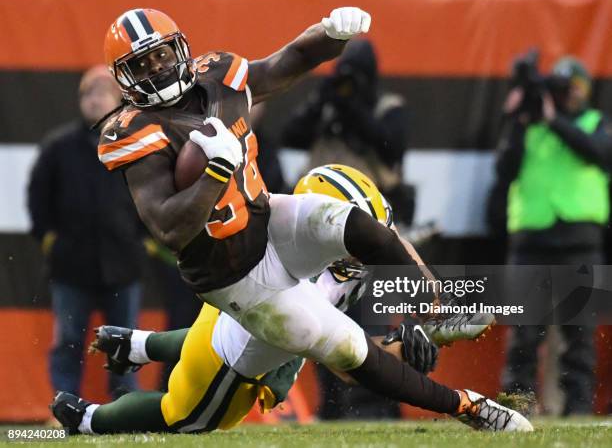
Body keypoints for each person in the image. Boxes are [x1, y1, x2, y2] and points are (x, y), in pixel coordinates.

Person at [53, 8, 529, 431]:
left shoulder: (217, 77)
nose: (157, 68)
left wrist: (329, 35)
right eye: (142, 63)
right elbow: (170, 228)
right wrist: (216, 171)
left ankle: (441, 309)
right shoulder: (134, 133)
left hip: (263, 224)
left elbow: (285, 64)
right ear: (125, 77)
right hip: (235, 277)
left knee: (347, 244)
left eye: (160, 55)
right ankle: (470, 407)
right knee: (195, 410)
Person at [53, 165, 460, 434]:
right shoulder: (314, 279)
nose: (365, 252)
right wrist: (406, 347)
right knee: (189, 416)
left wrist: (423, 318)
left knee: (214, 341)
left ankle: (138, 345)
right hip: (258, 332)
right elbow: (348, 365)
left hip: (233, 307)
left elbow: (394, 246)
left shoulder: (318, 238)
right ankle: (89, 420)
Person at [491, 56, 612, 415]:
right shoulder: (528, 125)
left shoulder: (595, 123)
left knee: (578, 336)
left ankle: (577, 409)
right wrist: (515, 119)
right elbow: (504, 169)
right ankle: (517, 408)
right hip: (531, 243)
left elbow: (600, 153)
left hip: (580, 242)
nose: (566, 96)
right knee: (524, 335)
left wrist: (553, 120)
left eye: (571, 89)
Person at [27, 66, 144, 399]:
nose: (95, 100)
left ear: (118, 100)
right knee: (68, 338)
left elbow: (150, 198)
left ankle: (125, 404)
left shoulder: (134, 147)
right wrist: (49, 239)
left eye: (102, 92)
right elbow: (38, 201)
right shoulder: (58, 148)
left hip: (123, 264)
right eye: (88, 94)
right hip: (70, 266)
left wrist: (143, 239)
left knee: (125, 341)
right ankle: (64, 404)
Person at [281, 38, 414, 225]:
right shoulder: (328, 103)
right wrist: (320, 101)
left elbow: (392, 148)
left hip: (366, 203)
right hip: (314, 199)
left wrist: (354, 110)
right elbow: (290, 136)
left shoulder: (387, 107)